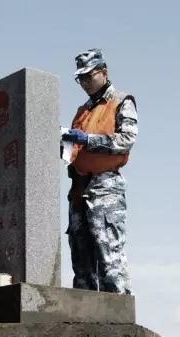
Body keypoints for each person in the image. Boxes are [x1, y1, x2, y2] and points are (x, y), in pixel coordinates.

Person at [62, 48, 138, 295]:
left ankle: (119, 318)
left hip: (105, 187)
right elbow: (75, 149)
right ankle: (84, 317)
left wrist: (89, 139)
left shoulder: (121, 101)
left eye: (88, 76)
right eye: (80, 78)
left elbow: (125, 140)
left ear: (103, 72)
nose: (84, 83)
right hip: (79, 188)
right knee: (80, 256)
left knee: (109, 254)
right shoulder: (82, 110)